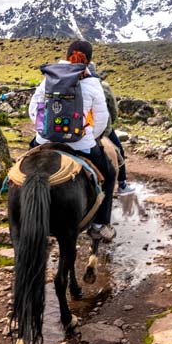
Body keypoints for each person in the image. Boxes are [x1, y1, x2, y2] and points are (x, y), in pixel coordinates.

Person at [28, 40, 118, 242]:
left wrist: (44, 131)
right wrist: (88, 136)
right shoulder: (93, 83)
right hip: (81, 144)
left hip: (45, 141)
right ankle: (99, 224)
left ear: (67, 55)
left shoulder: (49, 77)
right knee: (110, 174)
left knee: (24, 164)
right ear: (90, 60)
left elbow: (33, 110)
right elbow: (102, 119)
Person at [90, 63, 134, 194]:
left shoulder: (75, 85)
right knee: (119, 152)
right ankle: (122, 184)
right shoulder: (103, 87)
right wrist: (111, 123)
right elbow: (114, 109)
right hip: (103, 129)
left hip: (79, 129)